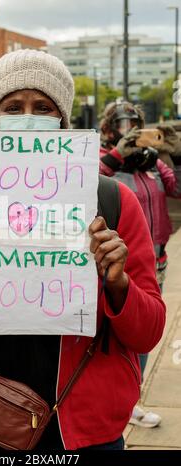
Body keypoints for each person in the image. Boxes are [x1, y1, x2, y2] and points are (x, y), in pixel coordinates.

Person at [0, 49, 165, 451]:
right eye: (13, 106)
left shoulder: (114, 203)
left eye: (43, 106)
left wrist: (118, 284)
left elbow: (149, 332)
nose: (27, 116)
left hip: (83, 431)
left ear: (62, 120)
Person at [99, 101, 181, 427]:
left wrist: (174, 155)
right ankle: (124, 400)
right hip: (116, 263)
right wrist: (118, 154)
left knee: (144, 333)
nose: (128, 127)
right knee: (115, 336)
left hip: (156, 259)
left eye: (134, 122)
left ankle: (131, 398)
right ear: (110, 127)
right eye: (121, 122)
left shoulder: (151, 164)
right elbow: (85, 183)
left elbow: (177, 188)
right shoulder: (106, 159)